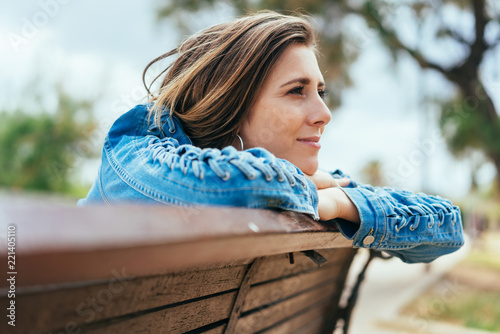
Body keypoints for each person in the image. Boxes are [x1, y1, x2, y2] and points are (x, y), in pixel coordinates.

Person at [78, 11, 464, 264]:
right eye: (297, 91)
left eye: (320, 92)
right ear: (233, 105)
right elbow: (226, 188)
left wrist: (341, 202)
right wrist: (313, 193)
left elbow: (446, 227)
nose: (324, 114)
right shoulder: (137, 149)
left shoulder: (294, 180)